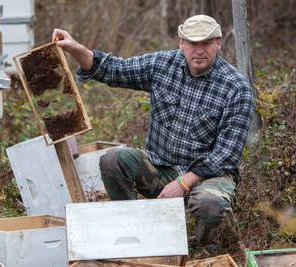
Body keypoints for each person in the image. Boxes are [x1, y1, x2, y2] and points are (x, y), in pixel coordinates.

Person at [52, 15, 254, 247]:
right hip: (161, 168)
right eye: (192, 43)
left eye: (206, 43)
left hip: (208, 177)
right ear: (181, 43)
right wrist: (75, 47)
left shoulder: (236, 87)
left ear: (218, 43)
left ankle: (203, 245)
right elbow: (112, 69)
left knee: (209, 205)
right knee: (112, 160)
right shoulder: (162, 65)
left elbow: (225, 156)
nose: (199, 50)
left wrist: (183, 184)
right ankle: (136, 231)